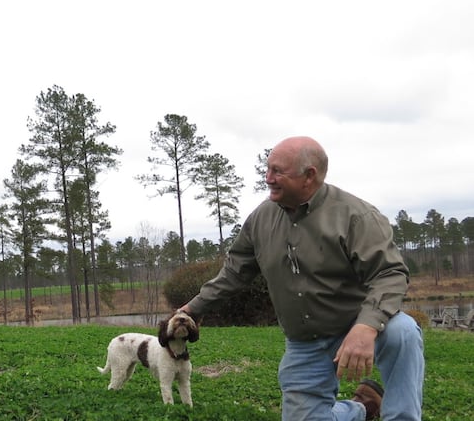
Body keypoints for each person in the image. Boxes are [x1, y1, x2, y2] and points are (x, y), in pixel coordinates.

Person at [179, 136, 424, 421]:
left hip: (357, 325)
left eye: (278, 171)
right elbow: (234, 272)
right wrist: (192, 309)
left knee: (402, 331)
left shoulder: (356, 216)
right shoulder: (260, 219)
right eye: (267, 169)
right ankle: (362, 408)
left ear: (310, 176)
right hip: (306, 341)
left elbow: (389, 273)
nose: (268, 178)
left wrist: (367, 327)